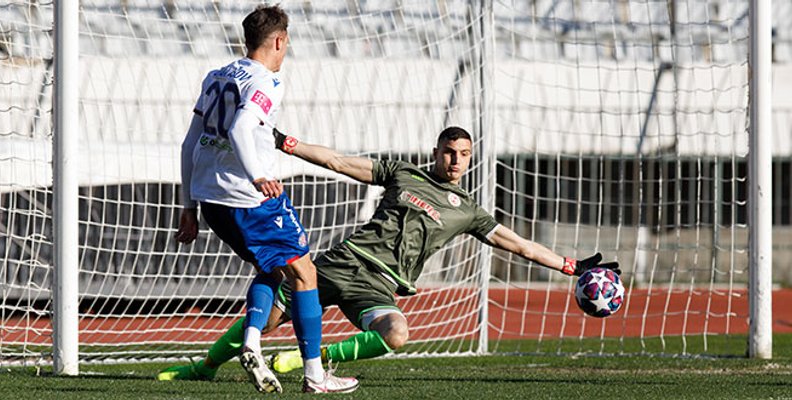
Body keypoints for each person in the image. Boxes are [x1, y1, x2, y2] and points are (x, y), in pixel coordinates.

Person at [162, 126, 620, 381]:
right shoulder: (402, 174)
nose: (455, 160)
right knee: (266, 318)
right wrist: (289, 144)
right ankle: (203, 368)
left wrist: (571, 266)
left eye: (463, 154)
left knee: (396, 333)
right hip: (341, 262)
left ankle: (306, 359)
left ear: (470, 158)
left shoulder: (470, 214)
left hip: (379, 286)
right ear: (435, 152)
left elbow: (517, 243)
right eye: (448, 151)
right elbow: (340, 161)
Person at [173, 5, 357, 394]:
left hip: (211, 199)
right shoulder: (268, 81)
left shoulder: (216, 76)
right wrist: (258, 175)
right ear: (278, 40)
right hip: (250, 198)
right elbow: (241, 128)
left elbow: (190, 142)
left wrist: (188, 207)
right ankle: (314, 375)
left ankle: (253, 341)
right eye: (286, 42)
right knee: (305, 273)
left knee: (273, 270)